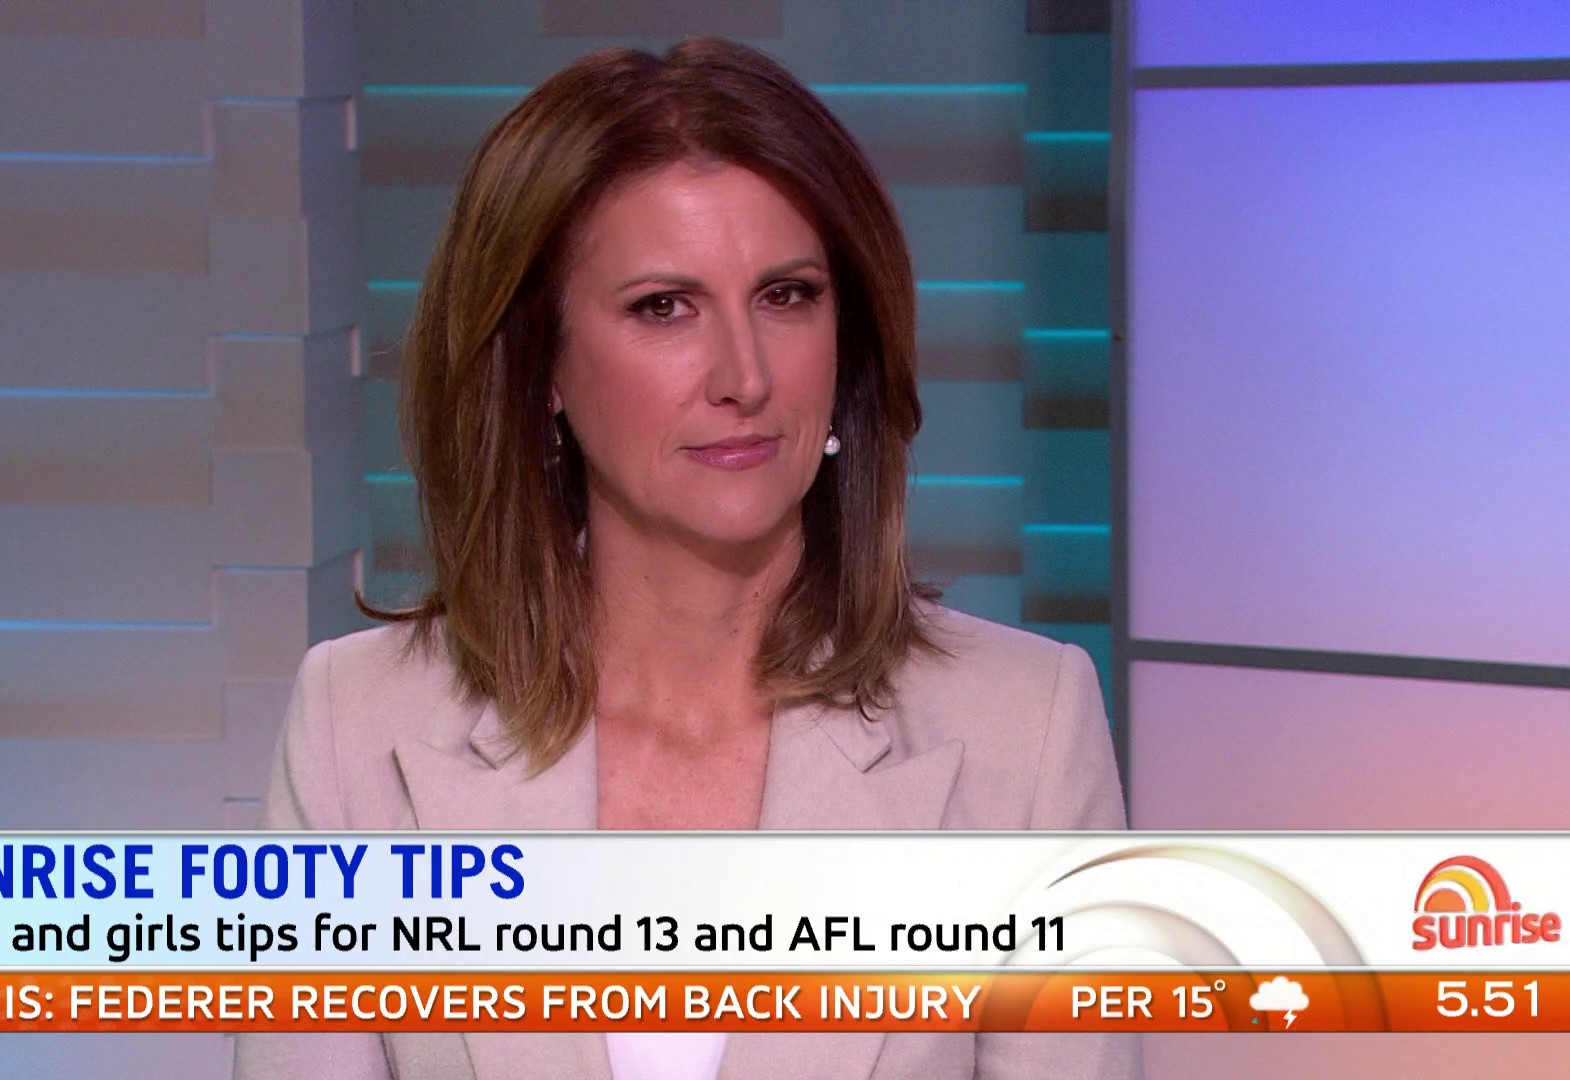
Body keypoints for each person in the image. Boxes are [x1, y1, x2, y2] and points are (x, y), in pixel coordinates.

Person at [234, 36, 1137, 1080]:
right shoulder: (356, 728)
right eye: (663, 307)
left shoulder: (1028, 730)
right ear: (541, 366)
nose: (744, 376)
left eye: (787, 295)